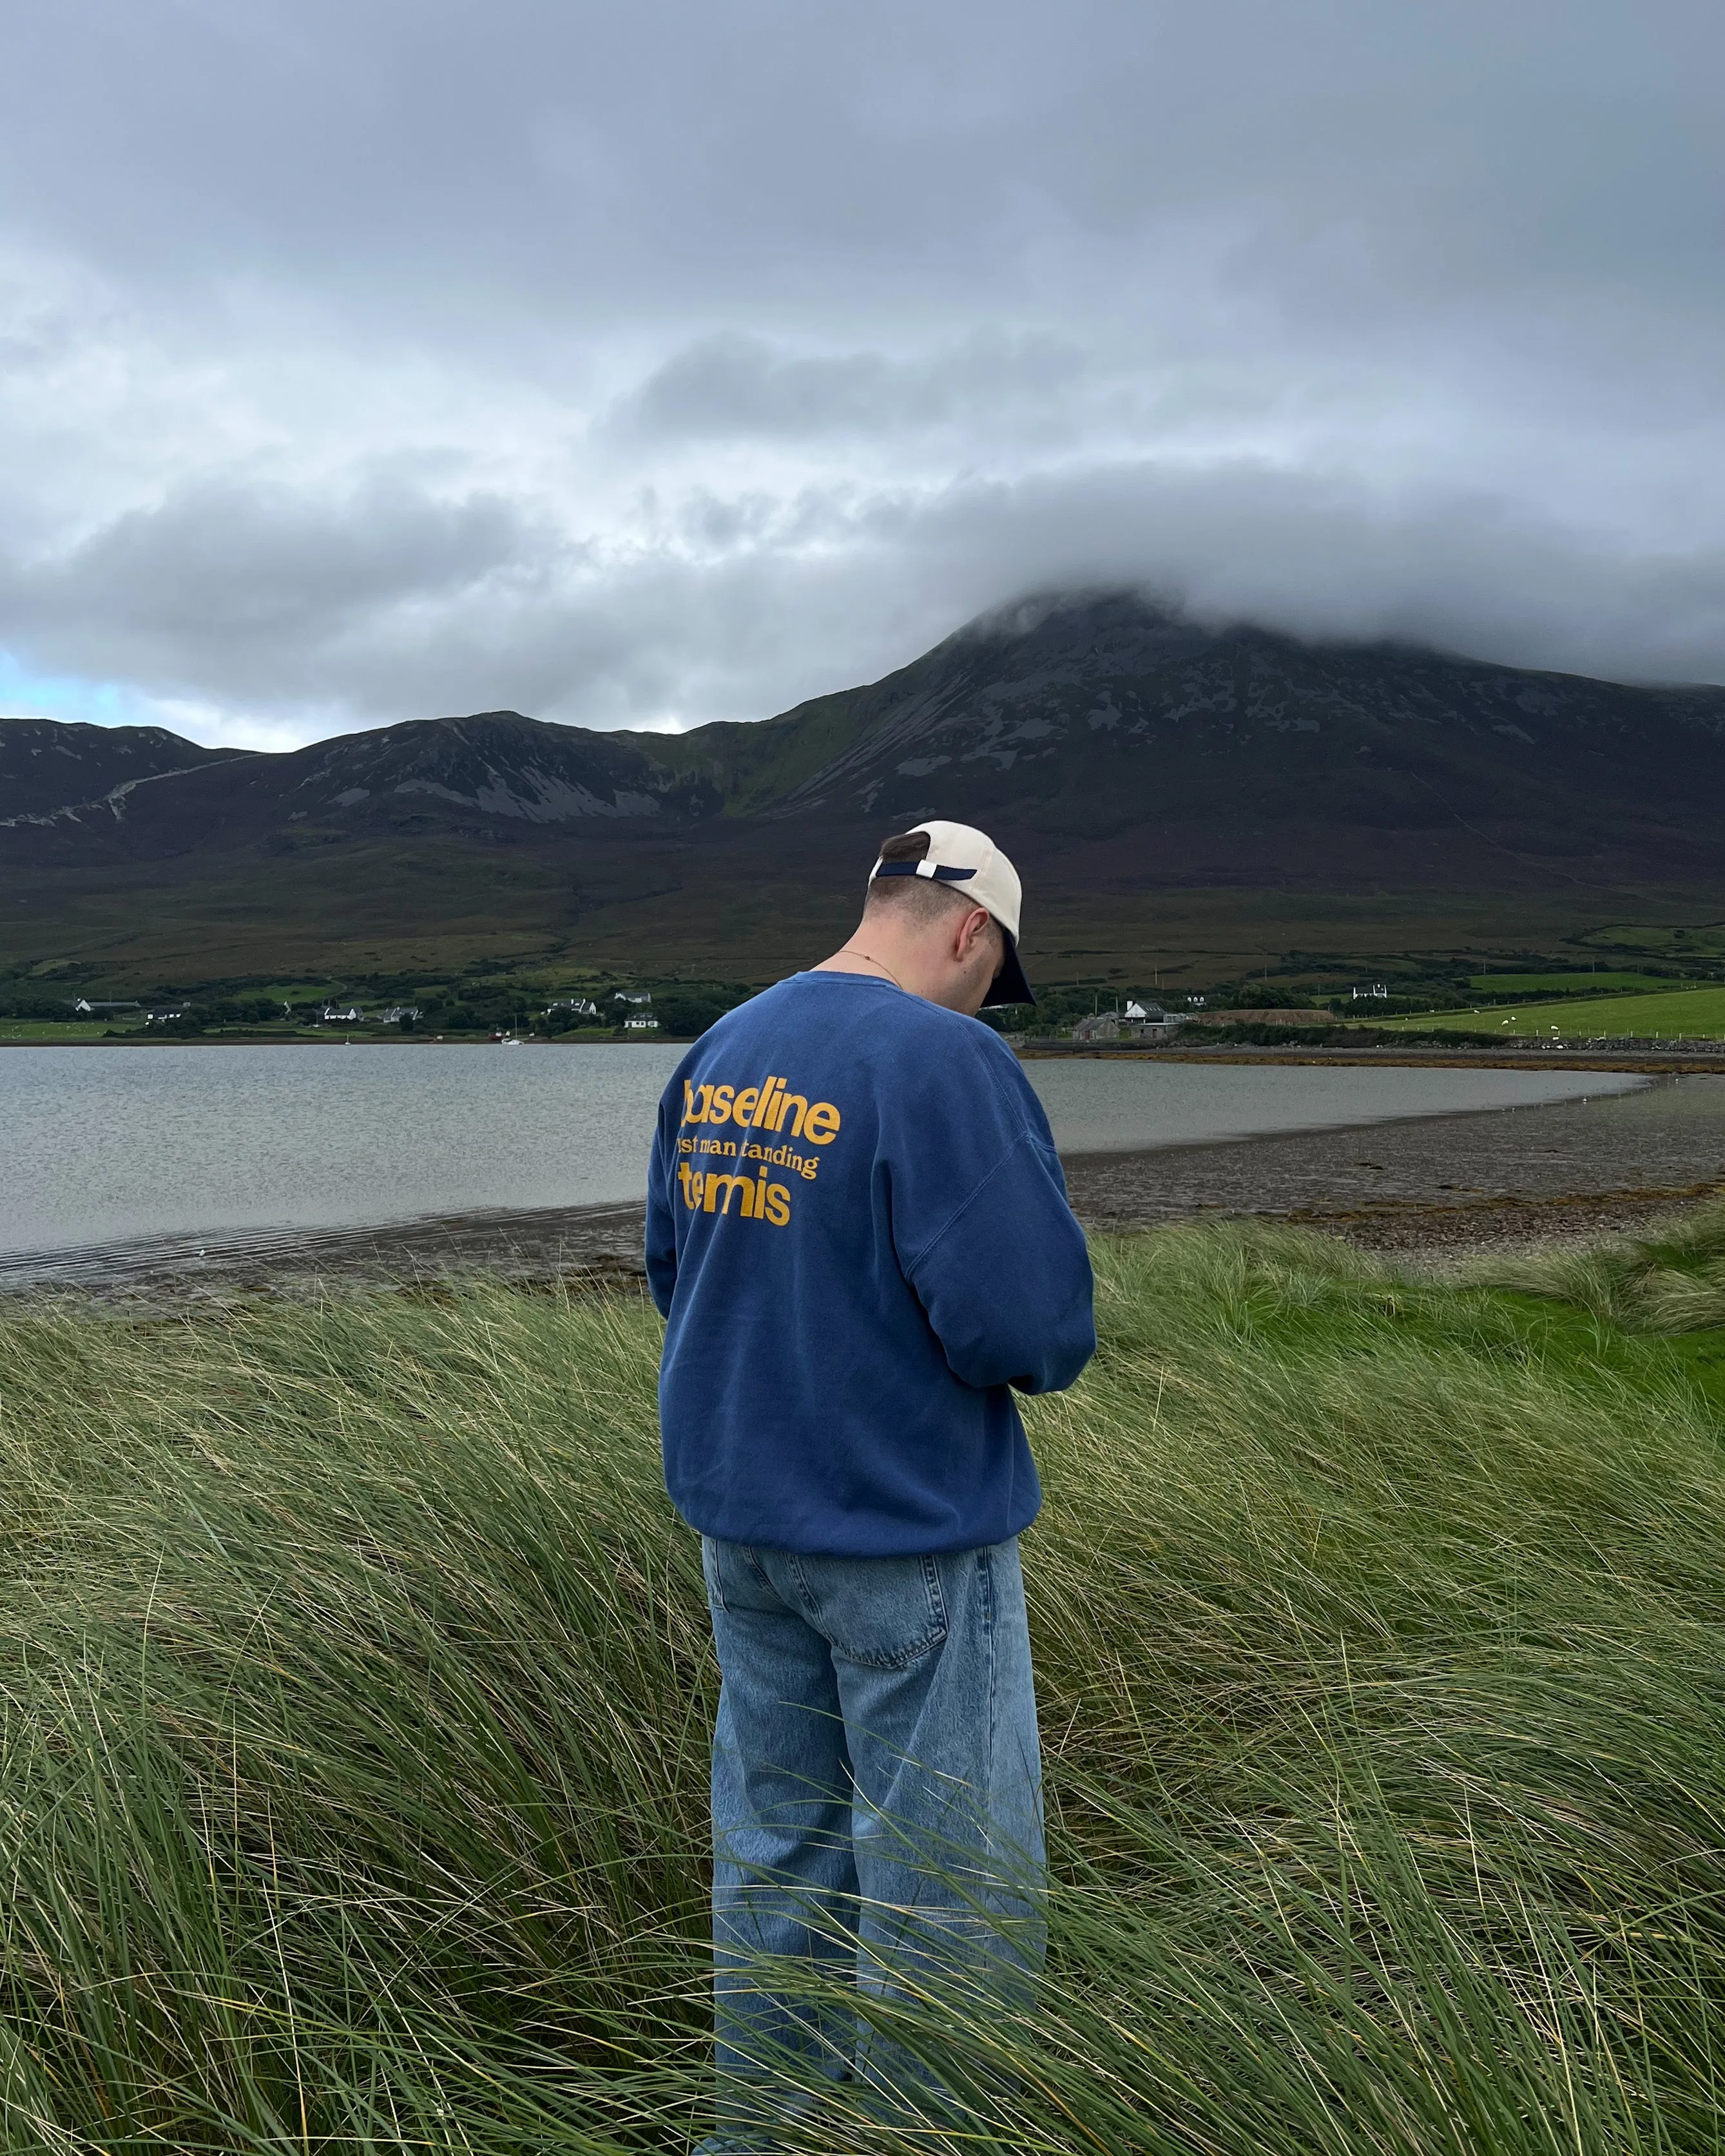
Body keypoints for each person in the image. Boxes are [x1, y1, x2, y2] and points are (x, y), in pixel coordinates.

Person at [645, 819, 1096, 2148]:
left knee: (780, 1845)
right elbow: (1027, 1327)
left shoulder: (724, 1045)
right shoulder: (946, 1058)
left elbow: (678, 1271)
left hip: (744, 1519)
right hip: (902, 1523)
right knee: (948, 1880)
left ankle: (770, 2131)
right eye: (994, 969)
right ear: (970, 931)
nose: (985, 997)